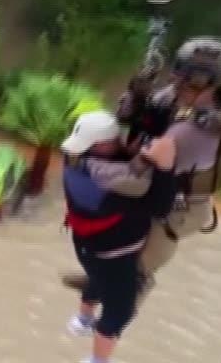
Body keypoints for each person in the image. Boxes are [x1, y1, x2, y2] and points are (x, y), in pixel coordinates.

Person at [61, 37, 221, 300]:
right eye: (179, 75)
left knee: (137, 268)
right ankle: (102, 278)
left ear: (214, 85)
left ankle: (116, 303)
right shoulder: (174, 96)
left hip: (181, 205)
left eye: (195, 81)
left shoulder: (195, 131)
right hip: (159, 183)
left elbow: (138, 177)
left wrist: (86, 166)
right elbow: (127, 117)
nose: (181, 85)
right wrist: (136, 94)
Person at [60, 111, 177, 363]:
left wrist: (136, 151)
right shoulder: (102, 192)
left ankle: (82, 320)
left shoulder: (72, 159)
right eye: (114, 141)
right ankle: (97, 360)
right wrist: (164, 167)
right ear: (103, 145)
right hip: (114, 256)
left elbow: (117, 161)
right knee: (119, 311)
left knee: (97, 280)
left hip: (87, 249)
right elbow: (158, 206)